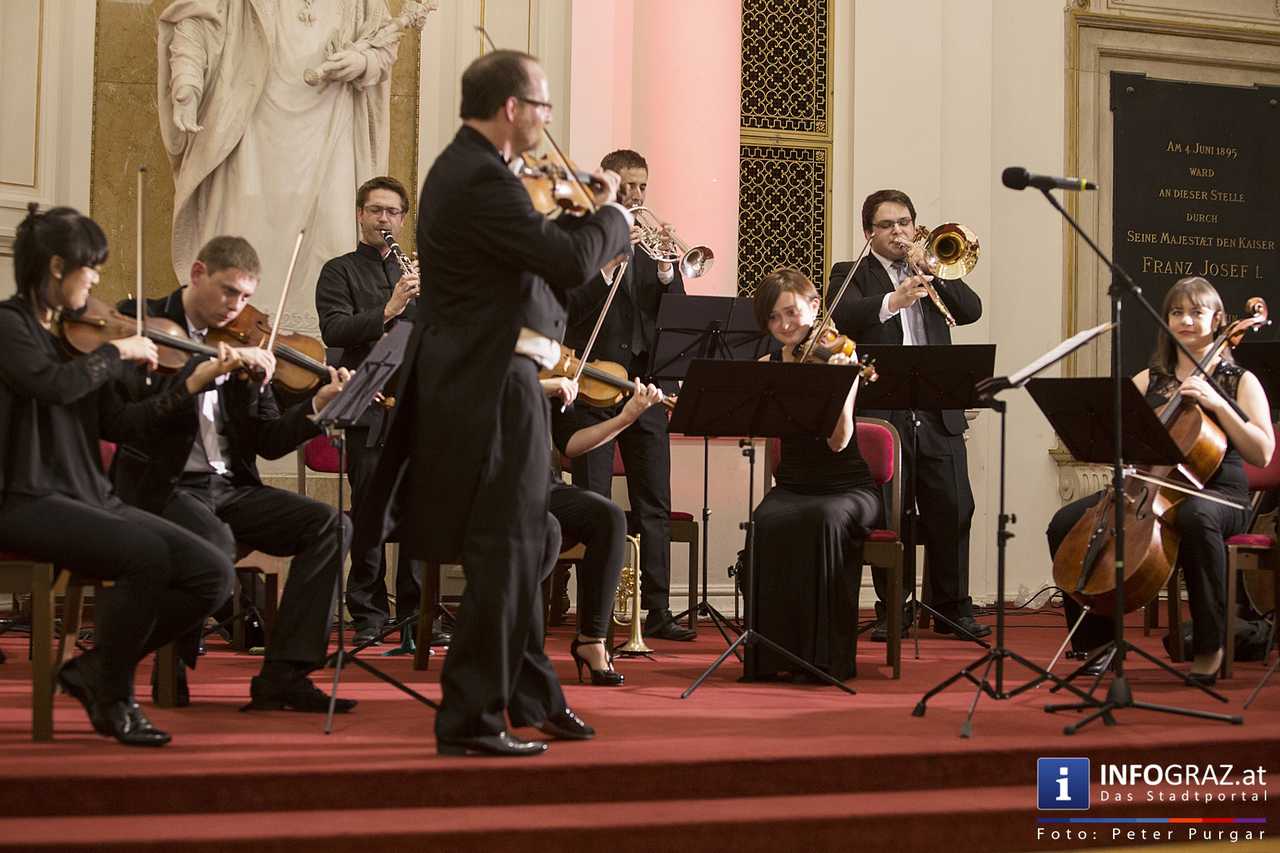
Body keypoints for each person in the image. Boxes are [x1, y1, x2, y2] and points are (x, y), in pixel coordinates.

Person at [363, 50, 631, 756]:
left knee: (523, 543)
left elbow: (538, 264)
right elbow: (570, 263)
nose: (548, 120)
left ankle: (531, 693)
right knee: (507, 548)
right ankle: (469, 717)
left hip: (493, 379)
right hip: (487, 384)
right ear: (512, 109)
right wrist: (614, 217)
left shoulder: (486, 173)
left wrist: (579, 217)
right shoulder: (480, 178)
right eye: (542, 106)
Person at [0, 205, 235, 746]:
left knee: (212, 572)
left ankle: (94, 671)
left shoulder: (72, 337)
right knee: (146, 555)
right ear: (57, 267)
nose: (98, 279)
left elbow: (124, 424)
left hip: (88, 494)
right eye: (92, 268)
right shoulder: (10, 326)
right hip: (26, 497)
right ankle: (117, 696)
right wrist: (114, 352)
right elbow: (51, 386)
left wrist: (185, 385)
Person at [112, 235, 357, 713]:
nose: (236, 308)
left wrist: (316, 406)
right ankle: (160, 661)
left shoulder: (248, 343)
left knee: (332, 524)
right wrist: (198, 375)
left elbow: (267, 440)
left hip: (228, 487)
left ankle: (285, 674)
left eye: (246, 297)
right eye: (228, 292)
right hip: (161, 486)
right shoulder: (143, 319)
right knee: (212, 541)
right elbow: (129, 420)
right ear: (198, 273)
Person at [1047, 276, 1274, 684]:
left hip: (1221, 494)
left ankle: (1210, 643)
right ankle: (1098, 644)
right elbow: (1120, 441)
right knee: (1066, 523)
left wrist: (1218, 406)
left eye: (1196, 312)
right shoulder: (1149, 380)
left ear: (1218, 319)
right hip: (1149, 488)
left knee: (1195, 517)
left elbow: (1262, 452)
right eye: (1176, 312)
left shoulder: (1239, 381)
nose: (1185, 320)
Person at [156, 0, 426, 335]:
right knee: (244, 231)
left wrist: (362, 60)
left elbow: (383, 49)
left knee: (329, 240)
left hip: (333, 133)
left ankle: (323, 347)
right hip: (253, 132)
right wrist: (188, 84)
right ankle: (238, 330)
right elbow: (196, 24)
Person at [827, 189, 987, 642]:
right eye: (887, 225)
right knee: (890, 517)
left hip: (938, 413)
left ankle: (953, 608)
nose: (899, 232)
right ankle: (893, 609)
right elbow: (841, 314)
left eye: (905, 222)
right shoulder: (852, 271)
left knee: (954, 508)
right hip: (886, 414)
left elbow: (971, 311)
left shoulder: (933, 266)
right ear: (868, 233)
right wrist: (892, 301)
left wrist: (936, 271)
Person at [562, 148, 694, 642]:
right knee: (593, 501)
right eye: (628, 186)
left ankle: (656, 610)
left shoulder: (652, 246)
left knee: (653, 501)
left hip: (648, 388)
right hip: (596, 389)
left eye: (642, 186)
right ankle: (592, 611)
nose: (637, 195)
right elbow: (569, 312)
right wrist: (606, 271)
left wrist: (665, 272)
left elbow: (677, 317)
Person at [740, 268, 881, 682]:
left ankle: (824, 658)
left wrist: (839, 383)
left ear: (815, 307)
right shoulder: (768, 365)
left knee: (823, 519)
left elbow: (839, 441)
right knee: (766, 520)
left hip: (848, 486)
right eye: (773, 319)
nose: (783, 326)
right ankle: (774, 656)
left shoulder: (842, 356)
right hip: (794, 484)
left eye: (791, 313)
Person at [315, 175, 425, 646]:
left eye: (393, 212)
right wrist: (389, 307)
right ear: (360, 214)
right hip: (368, 409)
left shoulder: (419, 274)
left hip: (416, 408)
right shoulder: (338, 271)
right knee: (371, 513)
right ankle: (368, 612)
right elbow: (335, 331)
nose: (384, 219)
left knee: (421, 513)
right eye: (376, 211)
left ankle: (417, 613)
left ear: (403, 219)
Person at [544, 375, 666, 686]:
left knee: (608, 516)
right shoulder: (493, 356)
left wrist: (627, 417)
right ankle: (522, 648)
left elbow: (571, 443)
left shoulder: (546, 368)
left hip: (542, 484)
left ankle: (591, 639)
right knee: (541, 528)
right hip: (495, 483)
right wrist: (543, 385)